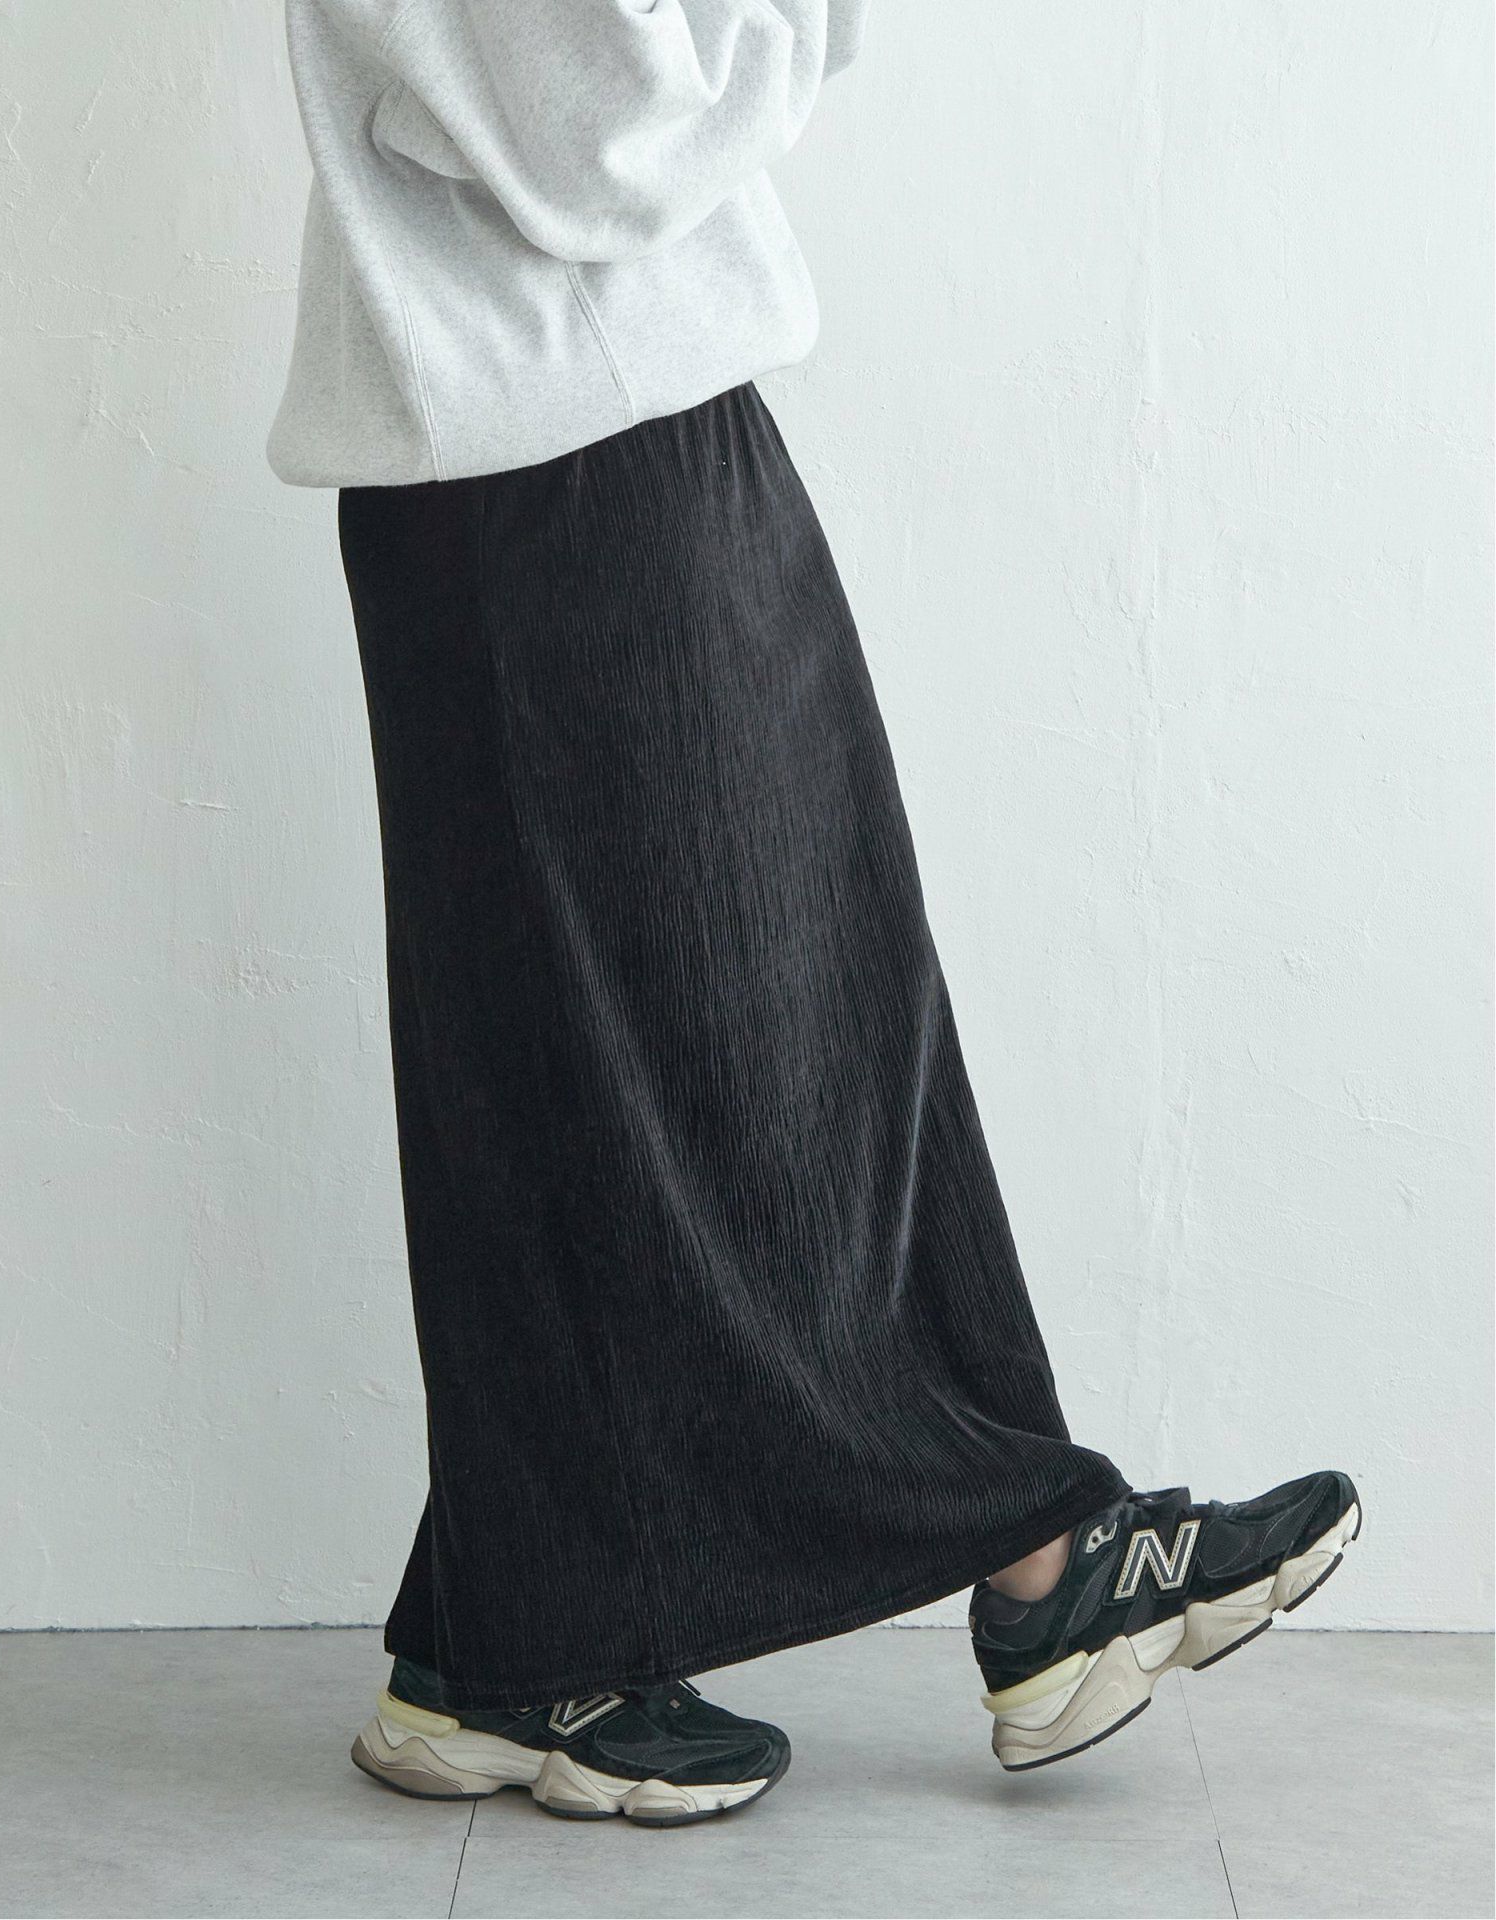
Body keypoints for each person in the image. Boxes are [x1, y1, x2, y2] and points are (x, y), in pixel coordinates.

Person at [267, 0, 1357, 1824]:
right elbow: (606, 139)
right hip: (560, 453)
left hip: (573, 435)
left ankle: (496, 1649)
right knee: (745, 1050)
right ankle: (1033, 1559)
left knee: (702, 1046)